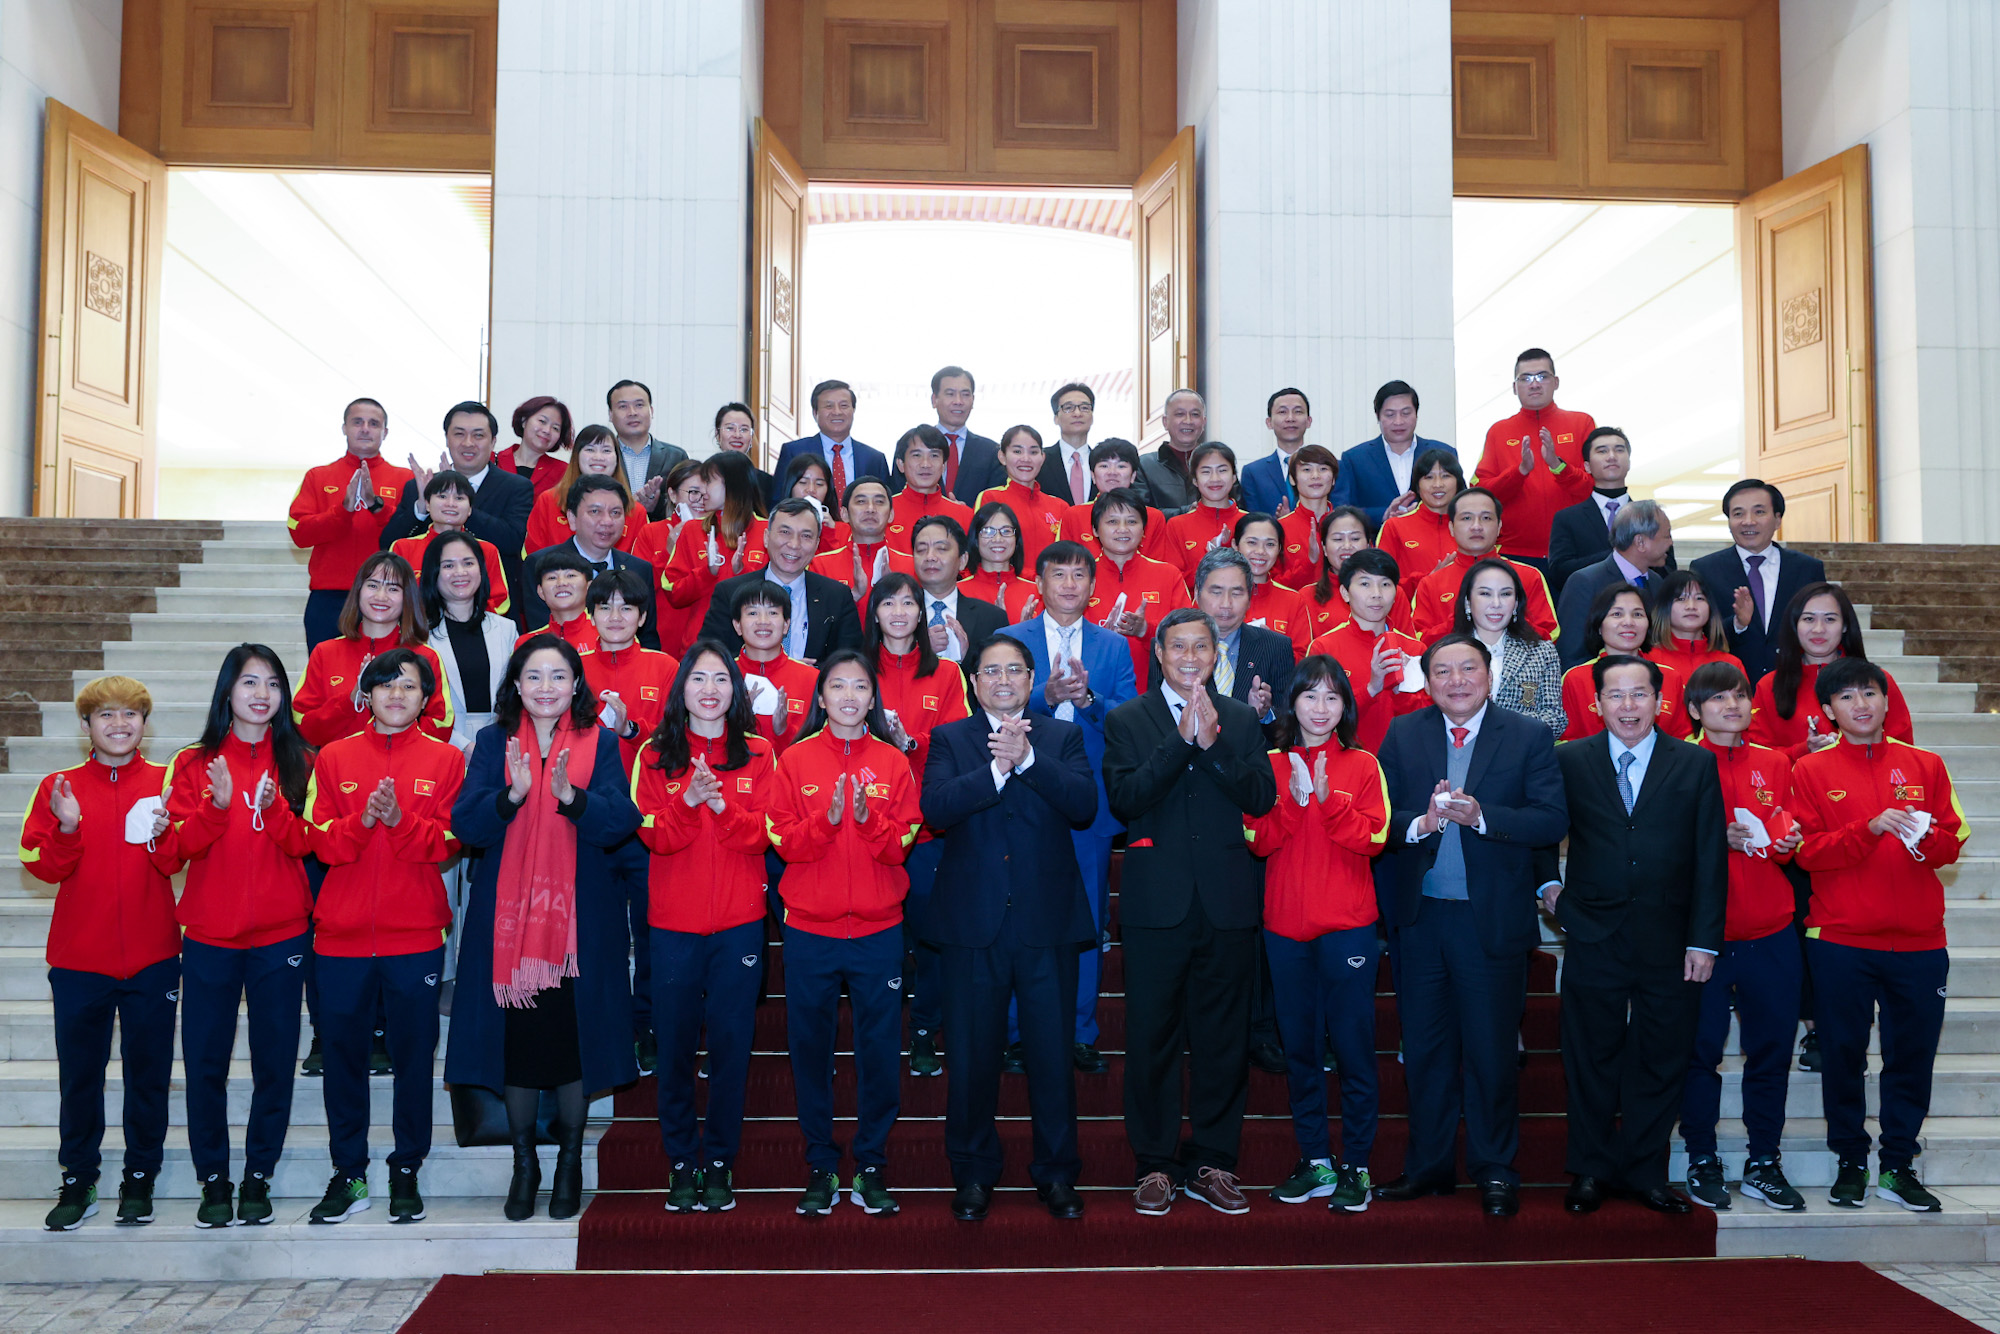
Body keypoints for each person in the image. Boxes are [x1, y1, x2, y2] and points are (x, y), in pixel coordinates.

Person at [445, 635, 639, 1221]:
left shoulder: (600, 742)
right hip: (507, 929)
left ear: (576, 686)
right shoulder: (491, 742)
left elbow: (620, 822)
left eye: (558, 677)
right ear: (517, 686)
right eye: (534, 677)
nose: (547, 688)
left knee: (571, 1042)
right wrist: (513, 794)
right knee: (520, 1045)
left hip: (582, 926)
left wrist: (570, 798)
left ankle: (571, 1161)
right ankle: (525, 1164)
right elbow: (467, 826)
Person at [1373, 635, 1567, 1217]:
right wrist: (1422, 823)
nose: (1456, 680)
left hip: (1491, 923)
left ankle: (1494, 1167)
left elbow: (1550, 817)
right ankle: (1429, 1166)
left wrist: (1484, 817)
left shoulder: (1528, 735)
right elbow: (1379, 813)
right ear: (1428, 682)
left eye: (1468, 669)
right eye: (1442, 672)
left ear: (1489, 674)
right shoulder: (1405, 734)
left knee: (1490, 1051)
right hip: (1422, 918)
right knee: (1427, 1050)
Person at [1104, 608, 1278, 1215]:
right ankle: (1153, 1164)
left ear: (1215, 655)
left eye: (1201, 647)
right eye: (1178, 646)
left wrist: (1216, 747)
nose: (1189, 656)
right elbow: (1126, 797)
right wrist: (1182, 745)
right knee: (1151, 1039)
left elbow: (1261, 795)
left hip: (1227, 903)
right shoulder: (1129, 718)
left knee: (1222, 1041)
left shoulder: (1239, 718)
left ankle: (1212, 1161)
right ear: (1159, 654)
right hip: (1157, 906)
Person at [1541, 654, 1727, 1216]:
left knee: (1661, 1056)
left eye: (1639, 695)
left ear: (1658, 701)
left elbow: (1710, 857)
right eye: (1615, 696)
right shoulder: (1569, 760)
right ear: (1597, 704)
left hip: (1670, 939)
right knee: (1589, 1054)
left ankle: (1647, 1172)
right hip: (1594, 930)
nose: (1628, 706)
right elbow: (1543, 831)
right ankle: (1592, 1171)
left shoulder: (1693, 764)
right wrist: (1551, 887)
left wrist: (1704, 940)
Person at [921, 635, 1098, 1220]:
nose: (1002, 680)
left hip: (1046, 924)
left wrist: (1026, 762)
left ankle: (1056, 1173)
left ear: (1031, 679)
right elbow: (937, 809)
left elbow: (1083, 806)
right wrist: (995, 771)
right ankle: (972, 1173)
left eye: (1014, 670)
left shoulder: (1060, 736)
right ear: (974, 682)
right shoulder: (950, 738)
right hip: (973, 926)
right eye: (990, 671)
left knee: (1051, 1058)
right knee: (971, 1059)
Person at [1793, 657, 1964, 1212]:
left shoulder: (1927, 764)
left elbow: (1952, 843)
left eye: (1870, 693)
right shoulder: (1810, 772)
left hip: (1919, 942)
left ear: (1887, 701)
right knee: (1843, 1054)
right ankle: (1849, 1161)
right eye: (1846, 697)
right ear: (1827, 711)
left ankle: (1897, 1165)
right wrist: (1865, 831)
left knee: (1910, 1056)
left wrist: (1925, 836)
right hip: (1841, 939)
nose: (1860, 704)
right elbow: (1805, 852)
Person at [303, 647, 465, 1225]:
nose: (397, 695)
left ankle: (405, 1170)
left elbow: (449, 843)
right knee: (343, 1057)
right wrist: (363, 820)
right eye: (385, 686)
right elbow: (318, 840)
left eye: (410, 686)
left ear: (427, 698)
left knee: (413, 1056)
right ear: (365, 696)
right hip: (340, 935)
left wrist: (399, 822)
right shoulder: (333, 756)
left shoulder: (447, 761)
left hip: (415, 933)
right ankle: (348, 1173)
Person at [767, 651, 923, 1217]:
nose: (850, 696)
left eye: (861, 686)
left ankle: (872, 1163)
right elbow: (783, 842)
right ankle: (821, 1165)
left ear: (872, 698)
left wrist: (867, 817)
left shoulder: (892, 763)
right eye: (838, 686)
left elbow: (901, 843)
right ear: (822, 696)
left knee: (879, 1052)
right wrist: (829, 820)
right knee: (811, 1051)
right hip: (811, 930)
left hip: (880, 930)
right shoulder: (794, 760)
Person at [163, 647, 315, 1228]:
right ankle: (214, 1182)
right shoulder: (194, 763)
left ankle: (258, 1178)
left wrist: (276, 813)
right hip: (209, 936)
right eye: (249, 682)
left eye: (273, 684)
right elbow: (173, 852)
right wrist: (217, 810)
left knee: (274, 1063)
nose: (261, 693)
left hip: (281, 937)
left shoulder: (302, 759)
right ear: (227, 691)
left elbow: (309, 845)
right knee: (206, 1064)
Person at [22, 676, 180, 1231]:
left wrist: (165, 833)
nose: (119, 724)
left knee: (149, 1075)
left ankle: (140, 1177)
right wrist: (66, 828)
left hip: (153, 956)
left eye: (131, 714)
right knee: (81, 1076)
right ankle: (78, 1179)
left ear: (144, 723)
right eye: (106, 715)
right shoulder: (56, 785)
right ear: (86, 726)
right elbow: (39, 865)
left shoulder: (165, 784)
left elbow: (174, 863)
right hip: (78, 962)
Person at [633, 642, 776, 1214]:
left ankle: (718, 1162)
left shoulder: (761, 752)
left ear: (735, 690)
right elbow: (653, 836)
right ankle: (681, 1161)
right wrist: (690, 800)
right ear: (681, 689)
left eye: (721, 678)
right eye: (698, 678)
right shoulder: (654, 752)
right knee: (673, 1047)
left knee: (731, 1046)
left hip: (739, 924)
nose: (710, 689)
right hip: (673, 926)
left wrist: (718, 807)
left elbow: (762, 835)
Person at [1247, 657, 1389, 1212]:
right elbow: (1256, 839)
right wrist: (1292, 804)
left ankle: (1356, 1165)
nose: (1321, 708)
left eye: (1332, 698)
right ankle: (1316, 1161)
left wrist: (1328, 802)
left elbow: (1376, 838)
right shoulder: (1271, 763)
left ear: (1345, 707)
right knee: (1300, 1050)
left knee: (1353, 1049)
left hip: (1348, 929)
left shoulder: (1362, 763)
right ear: (1293, 703)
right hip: (1285, 929)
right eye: (1310, 697)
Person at [998, 543, 1140, 1073]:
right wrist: (1042, 696)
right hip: (1022, 798)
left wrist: (1087, 702)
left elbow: (1128, 718)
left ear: (1092, 585)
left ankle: (1080, 1031)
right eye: (1059, 574)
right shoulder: (1011, 640)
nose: (1070, 584)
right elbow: (992, 706)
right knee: (1021, 914)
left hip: (1088, 804)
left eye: (1080, 575)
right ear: (1038, 582)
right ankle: (1016, 1032)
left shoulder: (1113, 646)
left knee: (1087, 919)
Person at [1677, 662, 1808, 1213]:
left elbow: (1789, 832)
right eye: (1717, 698)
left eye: (1738, 695)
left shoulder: (1776, 762)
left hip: (1772, 929)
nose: (1732, 705)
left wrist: (1787, 839)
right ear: (1694, 709)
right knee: (1699, 1053)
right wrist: (1715, 839)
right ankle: (1702, 1157)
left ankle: (1763, 1162)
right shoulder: (1678, 761)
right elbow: (1656, 849)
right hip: (1702, 936)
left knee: (1771, 1052)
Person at [866, 572, 972, 1076]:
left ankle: (925, 1029)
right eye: (889, 602)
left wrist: (913, 744)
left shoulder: (948, 673)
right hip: (871, 829)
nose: (900, 611)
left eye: (909, 602)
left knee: (932, 938)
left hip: (930, 831)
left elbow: (961, 748)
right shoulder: (857, 670)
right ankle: (884, 1031)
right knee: (884, 941)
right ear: (876, 612)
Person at [290, 397, 413, 649]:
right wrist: (342, 511)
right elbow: (299, 533)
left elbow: (412, 534)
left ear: (385, 432)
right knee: (327, 678)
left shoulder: (404, 479)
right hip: (329, 598)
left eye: (374, 423)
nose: (365, 428)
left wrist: (376, 506)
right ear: (344, 427)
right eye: (357, 422)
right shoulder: (318, 476)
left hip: (388, 595)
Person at [294, 553, 453, 747]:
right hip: (340, 771)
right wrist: (351, 700)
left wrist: (391, 742)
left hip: (407, 770)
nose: (381, 596)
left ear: (407, 597)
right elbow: (304, 727)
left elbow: (441, 725)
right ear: (358, 591)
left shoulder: (425, 656)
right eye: (373, 585)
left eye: (393, 588)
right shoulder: (325, 652)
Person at [380, 401, 534, 600]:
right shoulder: (423, 486)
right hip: (423, 606)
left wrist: (457, 506)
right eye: (459, 434)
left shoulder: (516, 487)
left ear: (493, 442)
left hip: (489, 603)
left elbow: (512, 542)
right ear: (447, 438)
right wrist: (421, 506)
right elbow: (388, 544)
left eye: (478, 435)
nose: (468, 443)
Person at [1749, 582, 1913, 760]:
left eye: (1830, 619)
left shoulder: (1876, 681)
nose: (1819, 629)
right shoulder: (1769, 685)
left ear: (1844, 626)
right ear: (1795, 625)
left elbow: (1902, 750)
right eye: (1809, 619)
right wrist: (1802, 750)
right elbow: (1757, 755)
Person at [1690, 480, 1829, 682]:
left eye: (1759, 512)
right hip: (1729, 685)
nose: (1748, 521)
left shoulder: (1807, 569)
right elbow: (1699, 632)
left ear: (1778, 519)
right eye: (1738, 514)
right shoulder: (1706, 569)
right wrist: (1738, 623)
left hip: (1794, 683)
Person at [1470, 349, 1595, 570]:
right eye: (1525, 378)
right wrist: (1520, 472)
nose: (1534, 384)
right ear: (1514, 387)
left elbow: (1594, 488)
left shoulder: (1582, 423)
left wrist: (1558, 467)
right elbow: (1481, 494)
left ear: (1556, 382)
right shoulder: (1498, 431)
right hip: (1514, 553)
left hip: (1576, 550)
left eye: (1542, 376)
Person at [698, 499, 865, 662]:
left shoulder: (837, 596)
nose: (794, 544)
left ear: (816, 545)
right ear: (766, 537)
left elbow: (850, 662)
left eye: (806, 536)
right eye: (785, 532)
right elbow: (709, 657)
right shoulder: (729, 592)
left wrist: (805, 675)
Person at [1153, 550, 1297, 739]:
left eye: (1237, 593)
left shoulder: (1276, 647)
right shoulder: (1170, 646)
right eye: (1216, 592)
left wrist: (1263, 715)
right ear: (1197, 593)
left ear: (1249, 598)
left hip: (1250, 763)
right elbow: (1156, 719)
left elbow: (1289, 728)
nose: (1226, 604)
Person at [1303, 547, 1427, 755]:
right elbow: (1317, 716)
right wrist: (1371, 689)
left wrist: (1400, 691)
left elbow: (1426, 719)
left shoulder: (1415, 649)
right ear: (1345, 593)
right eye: (1365, 584)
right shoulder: (1324, 648)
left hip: (1406, 760)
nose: (1377, 594)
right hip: (1346, 761)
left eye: (1385, 585)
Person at [650, 449, 769, 657]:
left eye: (709, 482)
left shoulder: (768, 531)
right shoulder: (692, 530)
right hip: (699, 651)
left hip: (753, 652)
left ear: (733, 485)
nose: (702, 491)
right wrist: (707, 573)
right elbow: (674, 594)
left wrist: (741, 571)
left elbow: (778, 597)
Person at [521, 476, 658, 646]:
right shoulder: (541, 564)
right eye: (595, 511)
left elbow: (648, 637)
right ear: (571, 518)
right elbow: (541, 630)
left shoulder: (638, 569)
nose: (607, 521)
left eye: (615, 513)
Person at [1409, 488, 1558, 644]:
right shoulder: (1430, 583)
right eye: (1466, 518)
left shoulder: (1529, 576)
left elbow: (1549, 634)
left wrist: (1510, 621)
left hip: (1517, 665)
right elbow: (1420, 640)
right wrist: (1461, 619)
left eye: (1486, 518)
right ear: (1451, 528)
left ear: (1499, 526)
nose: (1476, 526)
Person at [1544, 428, 1676, 596]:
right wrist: (1622, 553)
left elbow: (1669, 571)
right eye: (1602, 451)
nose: (1612, 456)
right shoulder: (1567, 518)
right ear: (1587, 466)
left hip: (1644, 608)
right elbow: (1559, 573)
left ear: (1629, 462)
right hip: (1589, 608)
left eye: (1619, 450)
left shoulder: (1654, 517)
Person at [1082, 488, 1192, 685]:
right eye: (1112, 521)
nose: (1123, 529)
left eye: (1132, 521)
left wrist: (1145, 630)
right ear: (1095, 530)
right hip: (1091, 692)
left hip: (1154, 693)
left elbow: (1188, 635)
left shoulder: (1168, 575)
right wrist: (1097, 638)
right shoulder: (1080, 577)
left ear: (1143, 530)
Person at [580, 568, 682, 771]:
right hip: (584, 783)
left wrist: (631, 731)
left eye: (626, 608)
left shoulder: (666, 667)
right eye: (605, 608)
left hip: (648, 782)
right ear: (591, 616)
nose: (615, 617)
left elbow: (677, 735)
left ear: (642, 617)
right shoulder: (573, 667)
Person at [1559, 585, 1690, 742]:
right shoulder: (1576, 678)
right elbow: (1566, 740)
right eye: (1617, 614)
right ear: (1599, 625)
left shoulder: (1670, 677)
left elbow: (1684, 739)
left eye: (1637, 614)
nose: (1628, 622)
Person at [1452, 557, 1565, 737]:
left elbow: (1555, 719)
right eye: (1485, 594)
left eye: (1505, 594)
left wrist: (1501, 727)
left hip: (1522, 758)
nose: (1496, 603)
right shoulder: (1446, 653)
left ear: (1516, 603)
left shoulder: (1541, 652)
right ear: (1467, 602)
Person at [1555, 499, 1673, 668]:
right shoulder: (1585, 582)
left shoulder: (1656, 582)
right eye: (1667, 535)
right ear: (1640, 542)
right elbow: (1571, 654)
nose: (1671, 543)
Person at [1330, 380, 1455, 528]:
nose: (1398, 421)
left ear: (1416, 414)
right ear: (1378, 416)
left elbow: (1460, 502)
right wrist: (1384, 514)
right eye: (1390, 415)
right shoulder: (1354, 459)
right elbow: (1342, 511)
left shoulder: (1444, 453)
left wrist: (1425, 511)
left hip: (1434, 541)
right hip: (1378, 546)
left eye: (1406, 413)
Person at [389, 471, 512, 617]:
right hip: (417, 632)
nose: (451, 504)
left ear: (470, 509)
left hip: (473, 630)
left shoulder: (487, 550)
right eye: (442, 496)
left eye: (459, 498)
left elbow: (500, 602)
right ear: (427, 504)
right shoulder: (402, 548)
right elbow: (391, 595)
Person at [525, 424, 648, 554]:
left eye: (606, 450)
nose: (598, 457)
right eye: (590, 449)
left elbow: (640, 565)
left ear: (617, 459)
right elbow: (533, 556)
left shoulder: (636, 511)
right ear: (576, 456)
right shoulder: (549, 500)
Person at [729, 583, 818, 754]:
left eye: (773, 613)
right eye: (753, 613)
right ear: (737, 625)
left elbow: (818, 748)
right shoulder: (724, 676)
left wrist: (783, 731)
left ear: (786, 625)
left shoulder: (811, 678)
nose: (763, 621)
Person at [770, 380, 889, 507]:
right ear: (815, 413)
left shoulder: (874, 459)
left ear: (853, 410)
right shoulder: (794, 451)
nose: (837, 412)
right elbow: (778, 501)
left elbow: (886, 504)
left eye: (844, 406)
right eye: (829, 406)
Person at [909, 515, 1006, 668]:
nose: (930, 557)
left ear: (962, 560)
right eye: (921, 550)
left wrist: (966, 657)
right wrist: (922, 652)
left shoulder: (991, 618)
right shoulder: (898, 615)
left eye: (941, 549)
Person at [1058, 439, 1176, 563]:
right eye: (1104, 466)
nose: (1112, 473)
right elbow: (1063, 562)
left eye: (1121, 466)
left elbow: (1158, 566)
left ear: (1133, 476)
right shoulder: (1073, 515)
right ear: (1093, 475)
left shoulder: (1154, 517)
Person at [973, 426, 1070, 569]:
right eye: (1017, 451)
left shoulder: (1060, 506)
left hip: (1050, 588)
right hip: (1007, 587)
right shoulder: (991, 498)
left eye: (1033, 452)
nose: (1026, 459)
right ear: (1002, 457)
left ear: (1042, 458)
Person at [1377, 448, 1465, 600]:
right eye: (1428, 477)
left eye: (1446, 476)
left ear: (1458, 482)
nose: (1437, 484)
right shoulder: (1395, 527)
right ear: (1417, 485)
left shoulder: (1471, 526)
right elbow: (1380, 584)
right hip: (1412, 616)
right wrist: (1429, 580)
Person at [811, 477, 918, 598]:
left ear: (891, 515)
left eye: (879, 502)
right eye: (861, 501)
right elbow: (818, 615)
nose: (870, 509)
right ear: (844, 514)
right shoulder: (821, 566)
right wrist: (853, 595)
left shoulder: (913, 566)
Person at [1300, 506, 1395, 640]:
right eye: (1338, 539)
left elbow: (1407, 647)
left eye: (1355, 539)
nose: (1347, 546)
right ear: (1324, 548)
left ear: (1369, 545)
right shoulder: (1306, 597)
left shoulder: (1389, 592)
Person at [606, 378, 688, 520]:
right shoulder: (601, 457)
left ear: (651, 410)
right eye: (623, 406)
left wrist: (654, 506)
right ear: (610, 414)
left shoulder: (676, 456)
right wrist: (632, 506)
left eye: (639, 405)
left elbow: (687, 505)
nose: (632, 412)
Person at [1162, 442, 1244, 583]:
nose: (1215, 479)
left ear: (1234, 477)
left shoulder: (1249, 523)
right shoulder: (1177, 525)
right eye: (1206, 472)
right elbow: (1173, 581)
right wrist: (1210, 557)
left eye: (1222, 470)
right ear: (1195, 480)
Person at [1235, 512, 1312, 655]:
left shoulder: (1293, 601)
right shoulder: (1214, 594)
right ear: (1235, 545)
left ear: (1279, 549)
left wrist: (1273, 647)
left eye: (1270, 544)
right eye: (1252, 542)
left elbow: (1303, 662)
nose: (1260, 551)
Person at [1648, 571, 1745, 683]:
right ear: (1664, 607)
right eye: (1681, 599)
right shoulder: (1647, 661)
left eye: (1699, 598)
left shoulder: (1731, 664)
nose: (1691, 606)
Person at [926, 365, 1003, 503]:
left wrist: (965, 514)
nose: (958, 401)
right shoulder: (913, 447)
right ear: (934, 400)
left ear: (973, 400)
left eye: (965, 394)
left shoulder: (991, 451)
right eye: (950, 394)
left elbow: (996, 505)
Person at [889, 425, 974, 546]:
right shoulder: (884, 512)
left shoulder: (965, 515)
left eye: (934, 455)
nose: (926, 464)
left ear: (944, 465)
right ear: (901, 464)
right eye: (917, 455)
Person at [1273, 443, 1340, 588]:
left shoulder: (1347, 525)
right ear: (1292, 479)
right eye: (1307, 469)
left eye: (1323, 469)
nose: (1315, 476)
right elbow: (1271, 585)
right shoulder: (1279, 528)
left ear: (1333, 478)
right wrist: (1309, 564)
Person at [1239, 387, 1313, 516]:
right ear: (1269, 422)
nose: (1290, 418)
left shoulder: (1330, 468)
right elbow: (1252, 521)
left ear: (1308, 421)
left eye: (1298, 411)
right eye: (1282, 412)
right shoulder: (1253, 473)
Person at [959, 501, 1038, 621]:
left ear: (1016, 540)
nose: (998, 539)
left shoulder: (1036, 592)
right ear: (975, 539)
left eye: (1006, 531)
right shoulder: (958, 591)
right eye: (988, 531)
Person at [1138, 389, 1208, 513]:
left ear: (1204, 422)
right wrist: (1186, 513)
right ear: (1165, 422)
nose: (1188, 421)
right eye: (1179, 414)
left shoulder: (1217, 463)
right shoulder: (1144, 465)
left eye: (1195, 414)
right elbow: (1138, 513)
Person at [518, 549, 599, 653]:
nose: (561, 583)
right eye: (552, 578)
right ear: (541, 592)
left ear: (588, 587)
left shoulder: (607, 636)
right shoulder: (527, 644)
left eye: (570, 576)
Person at [495, 396, 573, 496]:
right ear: (524, 421)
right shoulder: (493, 460)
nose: (547, 430)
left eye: (555, 428)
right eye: (542, 421)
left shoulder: (564, 472)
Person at [1040, 381, 1097, 505]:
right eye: (1068, 408)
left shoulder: (1102, 462)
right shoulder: (1040, 460)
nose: (1077, 413)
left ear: (1092, 416)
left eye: (1084, 408)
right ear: (1056, 418)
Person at [779, 453, 851, 548]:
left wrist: (829, 532)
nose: (811, 489)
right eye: (803, 482)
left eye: (819, 484)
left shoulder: (844, 530)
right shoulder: (776, 524)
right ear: (790, 486)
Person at [712, 401, 775, 499]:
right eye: (730, 428)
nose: (737, 435)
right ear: (717, 433)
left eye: (744, 429)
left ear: (752, 436)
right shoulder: (703, 476)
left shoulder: (767, 483)